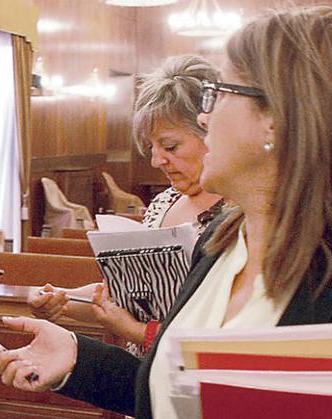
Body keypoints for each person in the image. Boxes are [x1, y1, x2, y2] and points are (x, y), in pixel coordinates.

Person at [0, 6, 332, 419]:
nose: (204, 114)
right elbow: (178, 401)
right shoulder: (221, 244)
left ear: (277, 120)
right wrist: (77, 358)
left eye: (220, 93)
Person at [29, 55, 223, 357]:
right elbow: (124, 297)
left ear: (212, 132)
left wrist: (136, 332)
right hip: (139, 376)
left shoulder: (241, 215)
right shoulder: (163, 202)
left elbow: (224, 335)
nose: (157, 160)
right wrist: (63, 300)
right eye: (151, 147)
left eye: (170, 147)